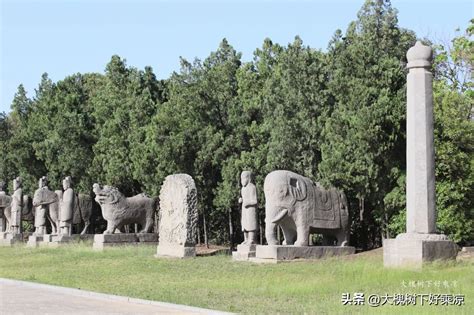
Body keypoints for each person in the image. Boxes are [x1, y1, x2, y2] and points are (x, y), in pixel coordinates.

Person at [238, 171, 258, 245]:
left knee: (251, 224)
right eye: (241, 178)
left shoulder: (252, 187)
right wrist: (241, 200)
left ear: (249, 178)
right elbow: (244, 198)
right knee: (244, 224)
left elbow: (255, 201)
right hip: (244, 210)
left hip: (251, 210)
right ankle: (246, 239)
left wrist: (248, 203)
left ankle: (251, 239)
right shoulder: (243, 189)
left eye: (244, 178)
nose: (242, 180)